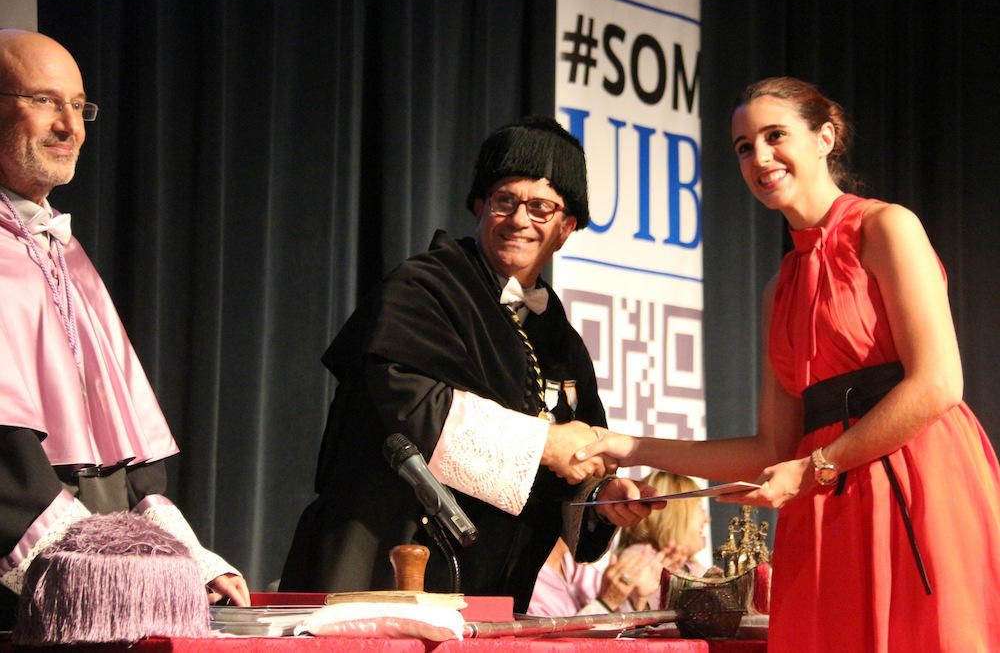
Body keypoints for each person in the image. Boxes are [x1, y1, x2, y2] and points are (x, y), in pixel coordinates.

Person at [577, 77, 1000, 651]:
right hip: (826, 502)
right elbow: (772, 451)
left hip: (915, 478)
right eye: (745, 147)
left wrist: (815, 467)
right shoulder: (779, 288)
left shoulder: (885, 227)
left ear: (825, 137)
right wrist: (626, 445)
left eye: (776, 136)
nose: (760, 157)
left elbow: (939, 382)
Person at [280, 116, 659, 612]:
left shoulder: (561, 340)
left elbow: (576, 463)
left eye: (541, 206)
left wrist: (603, 499)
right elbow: (414, 412)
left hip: (490, 598)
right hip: (381, 577)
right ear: (480, 205)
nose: (521, 219)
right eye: (506, 199)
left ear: (566, 228)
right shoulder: (422, 289)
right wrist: (547, 444)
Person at [0, 29, 249, 626]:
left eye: (78, 105)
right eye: (43, 100)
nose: (70, 125)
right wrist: (102, 572)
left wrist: (190, 560)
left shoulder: (67, 254)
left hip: (92, 566)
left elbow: (129, 467)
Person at [527, 471, 709, 617]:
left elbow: (619, 635)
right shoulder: (522, 576)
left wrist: (637, 600)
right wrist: (608, 601)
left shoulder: (576, 566)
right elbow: (558, 645)